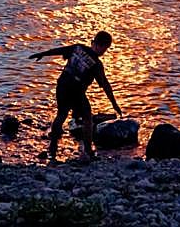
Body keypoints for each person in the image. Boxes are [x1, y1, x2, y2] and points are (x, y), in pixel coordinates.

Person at [30, 31, 123, 161]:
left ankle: (52, 148)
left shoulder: (78, 48)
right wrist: (114, 104)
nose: (104, 51)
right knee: (87, 119)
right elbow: (105, 85)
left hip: (62, 85)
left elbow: (59, 50)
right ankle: (88, 151)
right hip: (76, 91)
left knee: (61, 115)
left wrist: (43, 54)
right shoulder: (96, 64)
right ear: (101, 46)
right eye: (105, 48)